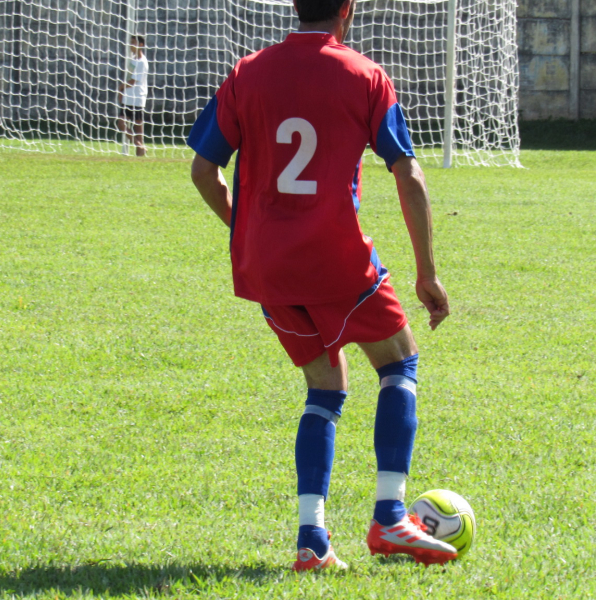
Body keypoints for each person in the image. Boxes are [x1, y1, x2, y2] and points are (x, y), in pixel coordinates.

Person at [188, 0, 457, 572]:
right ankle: (390, 519)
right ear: (348, 10)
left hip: (266, 269)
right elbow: (406, 171)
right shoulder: (363, 75)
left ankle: (312, 539)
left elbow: (203, 171)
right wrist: (427, 272)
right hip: (335, 259)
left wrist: (248, 232)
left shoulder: (247, 72)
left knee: (325, 386)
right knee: (399, 363)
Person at [117, 35, 149, 157]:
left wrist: (121, 88)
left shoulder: (142, 62)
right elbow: (129, 78)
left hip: (138, 98)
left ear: (140, 45)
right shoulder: (133, 59)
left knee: (138, 128)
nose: (131, 45)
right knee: (121, 123)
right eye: (130, 42)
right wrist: (122, 93)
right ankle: (139, 146)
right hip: (128, 98)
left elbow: (133, 82)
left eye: (133, 42)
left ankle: (139, 155)